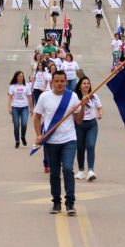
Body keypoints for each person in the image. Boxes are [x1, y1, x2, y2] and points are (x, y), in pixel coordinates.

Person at [34, 71, 83, 215]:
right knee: (54, 173)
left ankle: (70, 203)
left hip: (69, 139)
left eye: (62, 81)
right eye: (57, 81)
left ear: (66, 82)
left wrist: (83, 106)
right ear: (52, 82)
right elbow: (37, 118)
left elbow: (78, 120)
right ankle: (56, 202)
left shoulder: (72, 97)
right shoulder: (44, 97)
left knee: (68, 169)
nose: (60, 83)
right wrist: (38, 135)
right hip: (51, 141)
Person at [74, 76, 103, 182]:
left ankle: (91, 170)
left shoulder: (93, 96)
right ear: (80, 86)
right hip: (79, 126)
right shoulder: (75, 97)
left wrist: (100, 113)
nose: (86, 85)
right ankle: (81, 171)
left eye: (88, 83)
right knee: (80, 148)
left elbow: (100, 108)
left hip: (92, 125)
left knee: (90, 145)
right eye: (84, 83)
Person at [7, 71, 33, 148]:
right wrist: (9, 107)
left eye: (22, 76)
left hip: (24, 107)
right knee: (16, 125)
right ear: (16, 77)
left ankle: (23, 136)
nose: (21, 77)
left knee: (24, 124)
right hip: (15, 107)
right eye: (19, 76)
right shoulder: (12, 86)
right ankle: (17, 140)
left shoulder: (26, 86)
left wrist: (31, 108)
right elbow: (10, 97)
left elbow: (29, 97)